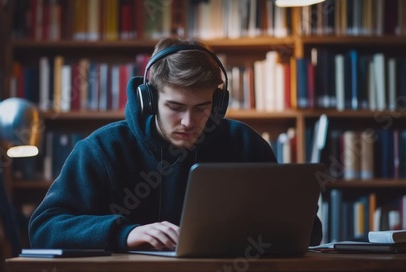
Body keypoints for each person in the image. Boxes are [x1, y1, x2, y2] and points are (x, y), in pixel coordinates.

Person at [28, 37, 322, 252]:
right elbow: (44, 228)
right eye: (175, 106)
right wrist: (124, 233)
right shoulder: (102, 149)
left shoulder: (245, 144)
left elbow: (308, 232)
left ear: (218, 105)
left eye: (201, 108)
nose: (188, 122)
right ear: (150, 100)